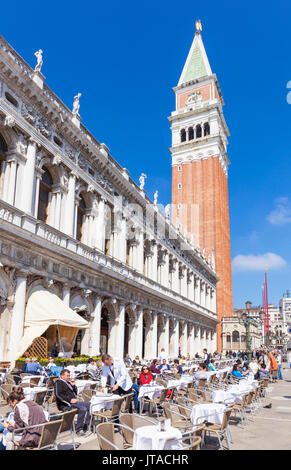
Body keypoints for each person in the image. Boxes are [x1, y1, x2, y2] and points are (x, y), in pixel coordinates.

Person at [54, 369, 91, 436]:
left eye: (69, 375)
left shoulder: (68, 382)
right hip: (66, 405)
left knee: (90, 405)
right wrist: (69, 400)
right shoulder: (58, 382)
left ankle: (86, 424)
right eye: (67, 376)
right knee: (83, 409)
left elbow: (75, 393)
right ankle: (78, 429)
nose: (69, 377)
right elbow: (58, 395)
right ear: (62, 376)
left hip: (74, 402)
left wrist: (73, 385)